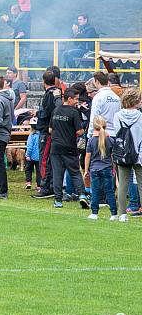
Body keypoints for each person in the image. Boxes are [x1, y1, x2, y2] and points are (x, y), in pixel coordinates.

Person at [49, 88, 88, 209]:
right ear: (69, 99)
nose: (77, 101)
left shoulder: (55, 110)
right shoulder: (73, 112)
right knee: (75, 172)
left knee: (57, 174)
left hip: (55, 147)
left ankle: (58, 200)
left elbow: (50, 129)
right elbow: (79, 131)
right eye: (76, 99)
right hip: (69, 147)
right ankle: (82, 195)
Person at [32, 70, 63, 199]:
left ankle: (45, 187)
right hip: (51, 130)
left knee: (44, 160)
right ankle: (49, 185)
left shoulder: (50, 95)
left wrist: (36, 113)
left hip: (46, 131)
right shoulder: (57, 93)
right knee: (49, 160)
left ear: (43, 81)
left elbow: (47, 113)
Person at [114, 88, 142, 221]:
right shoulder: (140, 116)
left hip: (123, 152)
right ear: (136, 101)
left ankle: (122, 214)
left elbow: (116, 133)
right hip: (138, 153)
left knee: (123, 184)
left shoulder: (117, 115)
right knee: (141, 184)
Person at [84, 115, 118, 220]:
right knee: (109, 191)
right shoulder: (110, 140)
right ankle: (114, 213)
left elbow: (87, 156)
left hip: (94, 168)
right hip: (107, 168)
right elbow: (113, 156)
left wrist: (86, 170)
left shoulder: (91, 140)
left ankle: (94, 213)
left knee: (95, 190)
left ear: (94, 127)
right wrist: (114, 170)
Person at [62, 14, 98, 80]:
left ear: (86, 20)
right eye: (78, 20)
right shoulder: (82, 29)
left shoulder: (91, 29)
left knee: (70, 53)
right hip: (82, 50)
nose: (79, 21)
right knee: (65, 54)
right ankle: (74, 72)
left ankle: (75, 72)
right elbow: (76, 43)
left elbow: (86, 39)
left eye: (80, 19)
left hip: (88, 51)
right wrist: (75, 33)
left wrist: (78, 33)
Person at [88, 71, 121, 136]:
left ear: (97, 81)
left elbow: (94, 118)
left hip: (101, 135)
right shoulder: (116, 97)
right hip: (115, 134)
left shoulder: (98, 97)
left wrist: (90, 134)